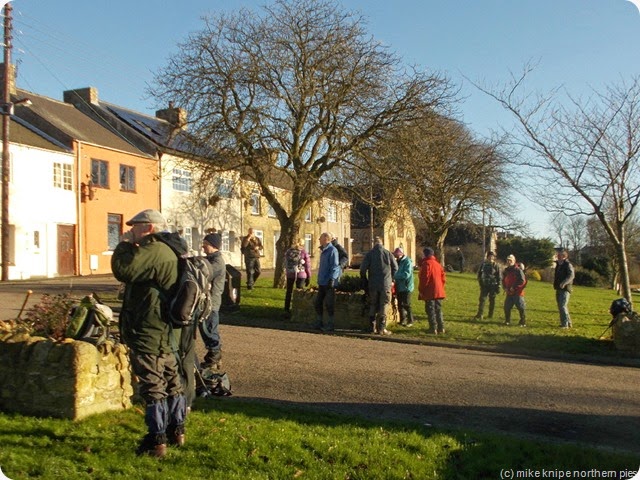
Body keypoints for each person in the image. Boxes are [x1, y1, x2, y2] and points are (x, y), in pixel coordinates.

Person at [111, 209, 187, 457]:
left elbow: (125, 269)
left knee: (153, 385)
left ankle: (156, 440)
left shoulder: (155, 249)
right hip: (166, 332)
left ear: (149, 227)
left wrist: (123, 245)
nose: (131, 229)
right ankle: (177, 430)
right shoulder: (171, 248)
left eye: (136, 226)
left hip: (150, 330)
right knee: (172, 382)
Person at [360, 237, 398, 335]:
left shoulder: (369, 254)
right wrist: (392, 279)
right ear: (382, 243)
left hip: (373, 284)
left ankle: (372, 327)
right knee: (384, 304)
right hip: (385, 284)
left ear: (374, 244)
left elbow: (362, 269)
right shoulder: (388, 253)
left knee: (373, 304)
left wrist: (365, 280)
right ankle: (382, 328)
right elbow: (395, 268)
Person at [200, 233, 226, 369]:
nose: (203, 247)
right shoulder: (210, 259)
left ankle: (214, 356)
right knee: (205, 328)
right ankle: (213, 356)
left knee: (209, 329)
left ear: (213, 246)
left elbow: (205, 272)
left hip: (211, 302)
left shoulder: (217, 262)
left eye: (205, 245)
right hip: (206, 301)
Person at [313, 232, 341, 332]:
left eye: (320, 238)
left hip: (329, 281)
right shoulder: (324, 251)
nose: (319, 240)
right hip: (322, 281)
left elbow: (335, 266)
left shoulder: (332, 250)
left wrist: (332, 279)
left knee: (329, 304)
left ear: (326, 239)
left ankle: (330, 323)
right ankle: (319, 321)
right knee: (318, 303)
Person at [418, 247, 446, 335]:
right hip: (439, 290)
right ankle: (441, 327)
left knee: (430, 309)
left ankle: (433, 328)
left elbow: (424, 278)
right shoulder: (438, 264)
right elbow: (443, 278)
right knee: (438, 309)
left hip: (430, 291)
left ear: (425, 254)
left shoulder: (426, 264)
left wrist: (421, 289)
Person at [283, 238, 312, 317]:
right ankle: (298, 310)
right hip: (301, 274)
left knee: (289, 292)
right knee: (299, 292)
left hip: (290, 273)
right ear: (302, 244)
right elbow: (307, 266)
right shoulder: (303, 252)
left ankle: (286, 309)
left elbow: (285, 262)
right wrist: (309, 276)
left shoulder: (288, 251)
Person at [474, 251, 501, 321]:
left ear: (494, 257)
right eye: (490, 256)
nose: (491, 257)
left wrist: (499, 286)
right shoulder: (483, 264)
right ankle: (480, 314)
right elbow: (479, 274)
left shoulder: (496, 265)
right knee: (482, 299)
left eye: (492, 256)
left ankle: (490, 314)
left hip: (493, 285)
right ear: (487, 257)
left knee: (492, 300)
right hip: (484, 285)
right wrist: (480, 282)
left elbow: (499, 276)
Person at [502, 254, 527, 327]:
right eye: (508, 260)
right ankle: (507, 321)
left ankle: (522, 322)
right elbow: (503, 280)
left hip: (518, 293)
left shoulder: (518, 270)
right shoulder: (506, 270)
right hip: (509, 292)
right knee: (506, 307)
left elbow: (522, 280)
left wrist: (514, 287)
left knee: (521, 307)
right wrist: (505, 288)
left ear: (514, 261)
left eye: (510, 260)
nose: (509, 262)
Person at [393, 247, 415, 327]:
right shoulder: (397, 261)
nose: (396, 256)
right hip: (399, 286)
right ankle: (402, 320)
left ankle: (410, 320)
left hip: (406, 286)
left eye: (397, 255)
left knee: (407, 304)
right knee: (400, 304)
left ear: (401, 254)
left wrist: (395, 276)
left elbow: (406, 274)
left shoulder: (407, 261)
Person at [554, 248, 575, 329]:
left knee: (563, 305)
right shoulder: (559, 265)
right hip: (558, 288)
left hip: (565, 288)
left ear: (564, 256)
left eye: (559, 255)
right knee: (561, 306)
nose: (557, 256)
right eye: (557, 255)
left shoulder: (568, 265)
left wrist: (564, 283)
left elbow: (571, 276)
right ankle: (568, 323)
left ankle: (565, 324)